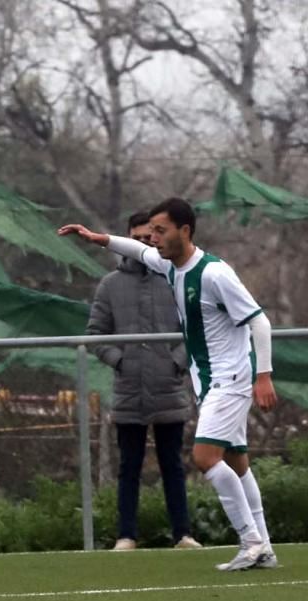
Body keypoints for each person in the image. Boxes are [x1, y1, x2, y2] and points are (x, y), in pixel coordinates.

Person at [60, 197, 278, 571]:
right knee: (238, 463)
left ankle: (251, 541)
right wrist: (98, 238)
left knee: (204, 458)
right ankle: (266, 547)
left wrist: (263, 376)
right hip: (210, 379)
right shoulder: (167, 265)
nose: (153, 239)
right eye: (151, 232)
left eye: (160, 231)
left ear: (185, 231)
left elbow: (260, 322)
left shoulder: (213, 274)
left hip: (231, 378)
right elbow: (135, 250)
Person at [86, 211, 199, 551]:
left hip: (169, 388)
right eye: (136, 238)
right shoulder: (110, 285)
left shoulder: (176, 278)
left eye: (150, 236)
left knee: (173, 465)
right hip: (128, 391)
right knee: (129, 466)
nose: (145, 243)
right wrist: (120, 361)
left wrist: (176, 362)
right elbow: (96, 335)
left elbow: (195, 326)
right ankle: (126, 535)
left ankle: (183, 534)